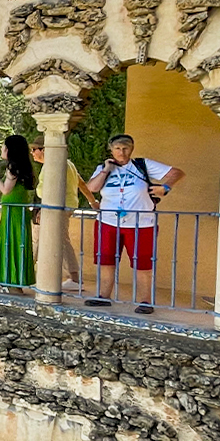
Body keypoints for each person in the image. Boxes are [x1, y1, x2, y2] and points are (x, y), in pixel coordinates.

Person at [85, 134, 185, 314]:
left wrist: (166, 187)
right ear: (111, 149)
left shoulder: (142, 165)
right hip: (108, 221)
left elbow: (176, 173)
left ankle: (145, 301)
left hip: (141, 223)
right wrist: (105, 170)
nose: (121, 152)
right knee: (106, 260)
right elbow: (91, 188)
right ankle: (103, 296)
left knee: (143, 263)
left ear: (131, 149)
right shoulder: (104, 167)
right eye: (117, 149)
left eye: (125, 148)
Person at [29, 140, 93, 288]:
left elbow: (47, 190)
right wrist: (92, 201)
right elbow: (81, 183)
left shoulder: (52, 164)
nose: (32, 153)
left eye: (34, 149)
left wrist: (41, 209)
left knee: (54, 241)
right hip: (65, 206)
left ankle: (73, 278)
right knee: (54, 240)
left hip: (55, 207)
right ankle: (33, 275)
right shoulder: (68, 163)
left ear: (44, 149)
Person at [0, 135, 37, 293]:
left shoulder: (12, 166)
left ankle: (10, 281)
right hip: (18, 210)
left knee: (9, 242)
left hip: (12, 211)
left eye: (4, 147)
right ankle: (12, 280)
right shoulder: (25, 165)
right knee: (17, 242)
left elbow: (6, 190)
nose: (2, 150)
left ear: (10, 149)